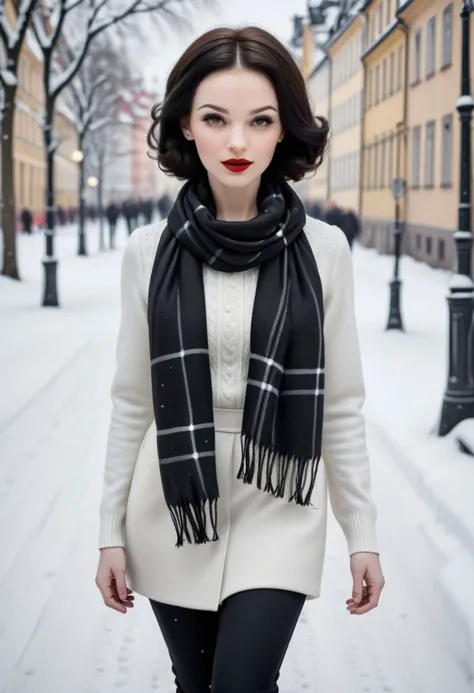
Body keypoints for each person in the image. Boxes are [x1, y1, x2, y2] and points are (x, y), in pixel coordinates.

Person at [95, 26, 385, 693]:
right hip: (175, 500)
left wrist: (361, 533)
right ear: (186, 127)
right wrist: (109, 529)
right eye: (215, 119)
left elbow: (340, 405)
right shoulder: (147, 251)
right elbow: (132, 401)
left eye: (260, 120)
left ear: (284, 129)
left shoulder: (326, 250)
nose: (236, 142)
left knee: (243, 683)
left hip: (279, 492)